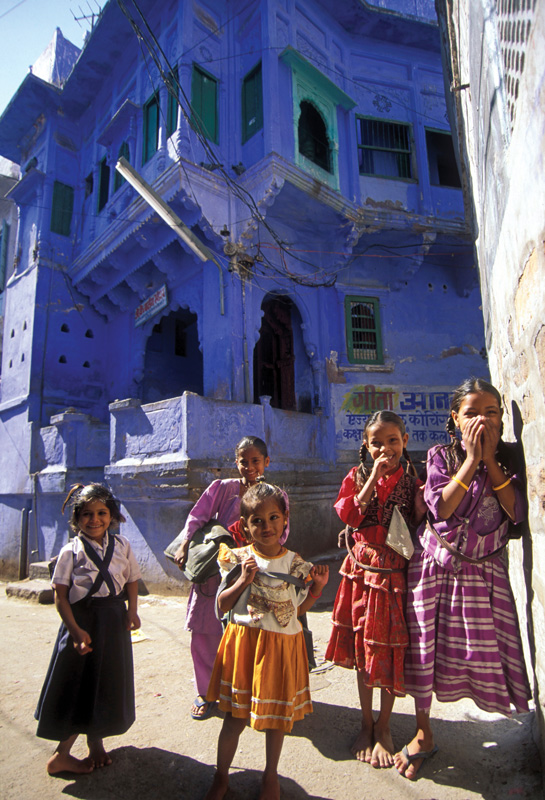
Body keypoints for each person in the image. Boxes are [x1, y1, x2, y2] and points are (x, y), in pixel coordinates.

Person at [395, 378, 532, 780]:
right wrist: (472, 459)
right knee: (425, 650)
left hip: (484, 570)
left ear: (502, 418)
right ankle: (423, 732)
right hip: (435, 566)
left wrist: (489, 460)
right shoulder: (442, 455)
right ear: (454, 419)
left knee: (481, 650)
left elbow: (517, 511)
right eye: (471, 414)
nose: (481, 421)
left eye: (490, 413)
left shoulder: (509, 458)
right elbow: (441, 508)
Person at [204, 482, 329, 800]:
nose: (267, 526)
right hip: (245, 644)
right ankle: (221, 777)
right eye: (257, 521)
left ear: (285, 519)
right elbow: (222, 606)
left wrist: (317, 589)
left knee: (277, 719)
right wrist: (244, 578)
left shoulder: (296, 564)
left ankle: (270, 776)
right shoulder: (235, 558)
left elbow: (296, 609)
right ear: (244, 527)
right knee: (235, 717)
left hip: (282, 646)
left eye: (273, 517)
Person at [326, 411, 425, 769]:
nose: (385, 449)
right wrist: (372, 481)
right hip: (360, 572)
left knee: (388, 648)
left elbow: (415, 524)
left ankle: (385, 726)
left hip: (393, 574)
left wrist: (418, 507)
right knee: (363, 649)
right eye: (377, 443)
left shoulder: (413, 481)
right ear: (366, 447)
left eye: (393, 441)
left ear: (405, 441)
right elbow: (350, 516)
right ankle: (366, 723)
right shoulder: (356, 477)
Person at [173, 436, 288, 720]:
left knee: (249, 634)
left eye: (255, 461)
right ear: (235, 462)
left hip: (254, 573)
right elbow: (198, 517)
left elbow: (283, 532)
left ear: (266, 462)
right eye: (243, 461)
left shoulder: (276, 495)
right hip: (215, 572)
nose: (249, 467)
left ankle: (244, 693)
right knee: (205, 632)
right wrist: (185, 543)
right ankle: (206, 693)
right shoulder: (222, 488)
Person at [35, 483, 141, 775]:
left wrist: (132, 611)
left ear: (113, 515)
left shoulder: (122, 546)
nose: (95, 520)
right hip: (83, 625)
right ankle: (61, 755)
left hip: (113, 623)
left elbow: (131, 579)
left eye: (102, 512)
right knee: (78, 687)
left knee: (103, 682)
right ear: (76, 518)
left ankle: (96, 744)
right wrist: (76, 631)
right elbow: (60, 596)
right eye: (86, 514)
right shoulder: (71, 551)